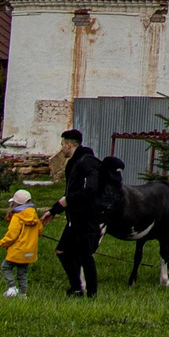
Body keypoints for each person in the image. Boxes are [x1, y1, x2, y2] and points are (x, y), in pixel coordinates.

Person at [46, 128, 104, 298]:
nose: (62, 148)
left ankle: (91, 294)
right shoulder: (74, 162)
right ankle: (77, 288)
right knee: (62, 251)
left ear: (69, 145)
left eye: (62, 144)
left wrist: (68, 200)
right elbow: (69, 194)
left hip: (86, 218)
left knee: (85, 256)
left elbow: (90, 189)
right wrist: (53, 211)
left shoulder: (88, 161)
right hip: (75, 219)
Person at [0, 188, 42, 297]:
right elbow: (40, 231)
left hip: (17, 251)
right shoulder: (34, 216)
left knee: (5, 267)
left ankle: (12, 288)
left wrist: (1, 243)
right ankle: (23, 295)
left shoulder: (17, 217)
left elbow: (12, 235)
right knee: (22, 273)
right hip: (29, 251)